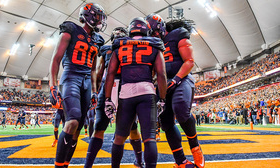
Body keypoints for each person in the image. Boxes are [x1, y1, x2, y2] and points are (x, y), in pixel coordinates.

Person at [104, 17, 167, 168]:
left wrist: (107, 98)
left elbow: (110, 73)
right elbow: (161, 74)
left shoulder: (120, 45)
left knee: (119, 138)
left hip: (126, 93)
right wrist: (163, 99)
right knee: (149, 138)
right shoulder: (154, 45)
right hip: (146, 91)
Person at [49, 2, 106, 168]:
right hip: (71, 77)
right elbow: (56, 59)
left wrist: (95, 91)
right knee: (72, 121)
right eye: (98, 16)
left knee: (79, 127)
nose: (100, 21)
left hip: (87, 81)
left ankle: (65, 164)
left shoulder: (98, 39)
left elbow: (94, 69)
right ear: (88, 16)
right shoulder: (71, 29)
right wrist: (52, 86)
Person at [146, 13, 205, 168]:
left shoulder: (177, 34)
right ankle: (180, 160)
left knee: (181, 109)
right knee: (165, 122)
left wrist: (177, 79)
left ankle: (195, 147)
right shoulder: (152, 44)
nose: (154, 36)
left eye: (155, 32)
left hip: (182, 78)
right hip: (163, 83)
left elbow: (189, 61)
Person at [84, 27, 145, 168]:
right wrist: (96, 92)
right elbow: (99, 73)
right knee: (103, 127)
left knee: (130, 128)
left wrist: (96, 91)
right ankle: (139, 161)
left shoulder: (117, 49)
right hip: (116, 87)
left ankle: (139, 161)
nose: (117, 34)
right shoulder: (112, 49)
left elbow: (99, 73)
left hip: (120, 87)